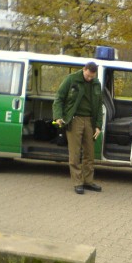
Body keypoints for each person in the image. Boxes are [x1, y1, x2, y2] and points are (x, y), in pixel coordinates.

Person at [53, 62, 103, 195]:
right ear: (84, 69)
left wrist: (98, 125)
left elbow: (99, 106)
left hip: (90, 121)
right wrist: (58, 116)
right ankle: (77, 183)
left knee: (89, 153)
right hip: (75, 119)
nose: (89, 78)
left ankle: (88, 181)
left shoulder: (96, 83)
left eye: (92, 76)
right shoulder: (71, 79)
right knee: (75, 153)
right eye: (88, 75)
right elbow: (59, 98)